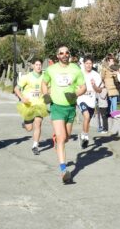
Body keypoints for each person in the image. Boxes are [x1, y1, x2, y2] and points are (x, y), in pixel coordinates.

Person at [41, 45, 86, 183]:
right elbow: (44, 82)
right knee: (61, 138)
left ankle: (57, 139)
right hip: (57, 107)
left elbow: (83, 87)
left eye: (67, 53)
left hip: (70, 107)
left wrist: (76, 94)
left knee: (66, 138)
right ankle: (63, 170)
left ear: (69, 55)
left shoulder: (75, 69)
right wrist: (46, 94)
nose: (64, 55)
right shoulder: (51, 69)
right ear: (58, 56)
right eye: (61, 53)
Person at [14, 59, 48, 155]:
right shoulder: (27, 77)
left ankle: (35, 146)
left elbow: (48, 88)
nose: (38, 66)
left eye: (40, 64)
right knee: (29, 128)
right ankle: (25, 125)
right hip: (28, 105)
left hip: (40, 104)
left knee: (38, 123)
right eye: (36, 64)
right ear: (33, 66)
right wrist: (22, 98)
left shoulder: (45, 77)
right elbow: (16, 88)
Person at [76, 56, 102, 148]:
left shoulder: (96, 75)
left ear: (92, 64)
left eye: (90, 63)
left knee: (87, 121)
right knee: (86, 116)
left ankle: (82, 135)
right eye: (86, 63)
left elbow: (99, 90)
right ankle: (86, 137)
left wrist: (94, 85)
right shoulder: (80, 74)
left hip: (91, 100)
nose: (88, 65)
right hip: (81, 99)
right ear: (84, 64)